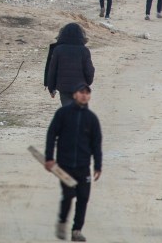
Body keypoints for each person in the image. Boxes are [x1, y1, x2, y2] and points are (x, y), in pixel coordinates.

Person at [44, 84, 102, 243]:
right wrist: (49, 158)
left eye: (87, 93)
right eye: (81, 92)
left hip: (83, 167)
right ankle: (62, 221)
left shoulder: (91, 119)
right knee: (69, 195)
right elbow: (51, 135)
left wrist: (98, 166)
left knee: (83, 197)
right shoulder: (63, 114)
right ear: (75, 94)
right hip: (65, 165)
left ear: (89, 96)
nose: (84, 95)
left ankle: (77, 230)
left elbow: (96, 144)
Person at [45, 23, 95, 106]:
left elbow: (52, 71)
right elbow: (89, 70)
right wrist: (87, 82)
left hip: (64, 89)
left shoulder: (58, 50)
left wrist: (51, 88)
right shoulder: (84, 51)